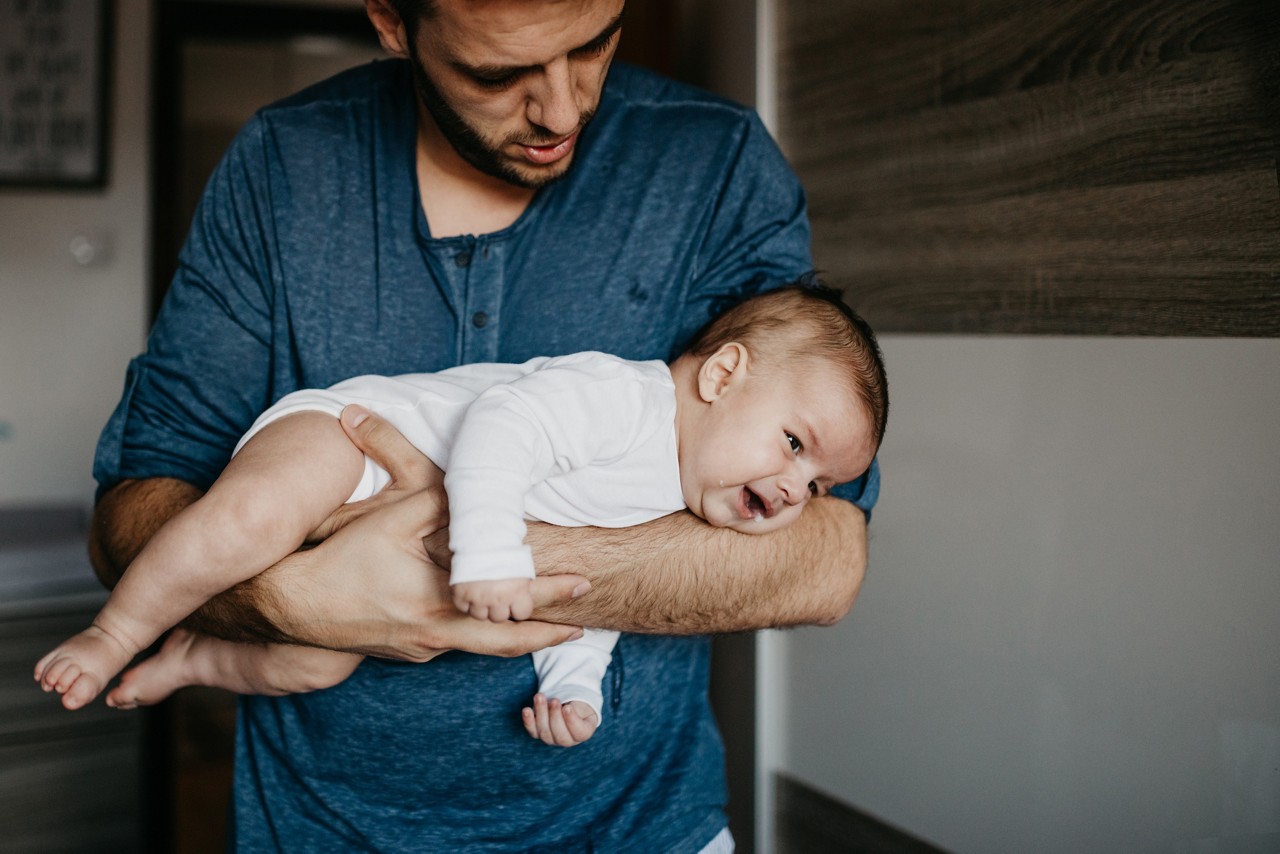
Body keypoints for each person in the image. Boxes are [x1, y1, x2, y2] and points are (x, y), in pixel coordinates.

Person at [87, 0, 882, 848]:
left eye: (593, 44)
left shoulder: (713, 163)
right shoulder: (284, 166)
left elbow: (822, 562)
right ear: (393, 21)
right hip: (327, 829)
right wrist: (294, 600)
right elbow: (130, 524)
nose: (565, 109)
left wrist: (451, 557)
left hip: (641, 828)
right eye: (498, 73)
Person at [39, 285, 887, 750]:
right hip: (349, 441)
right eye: (793, 443)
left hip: (373, 519)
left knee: (316, 667)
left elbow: (590, 601)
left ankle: (196, 658)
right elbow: (503, 429)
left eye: (817, 485)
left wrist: (575, 686)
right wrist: (484, 550)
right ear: (722, 374)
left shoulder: (677, 494)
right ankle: (118, 633)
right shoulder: (623, 398)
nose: (791, 487)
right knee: (250, 518)